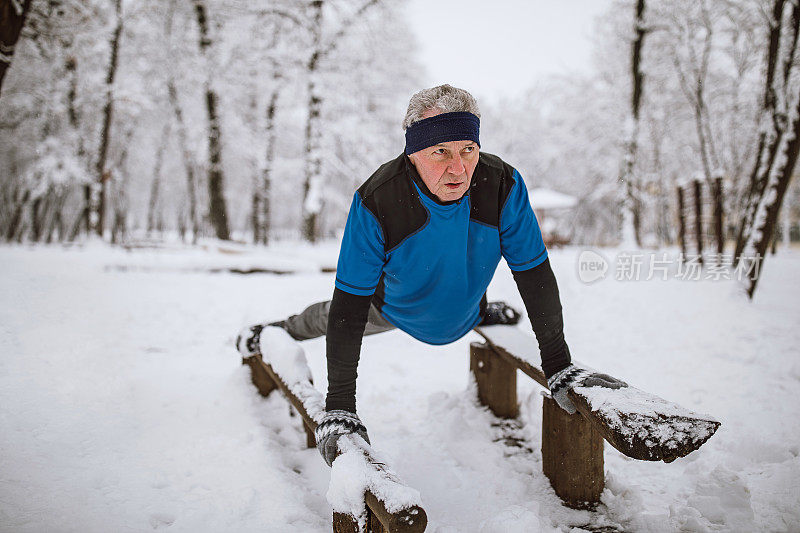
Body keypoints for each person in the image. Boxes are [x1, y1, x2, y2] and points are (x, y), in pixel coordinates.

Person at [236, 84, 625, 466]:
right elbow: (348, 305)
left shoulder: (503, 185)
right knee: (324, 315)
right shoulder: (377, 199)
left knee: (475, 301)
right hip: (393, 307)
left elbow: (535, 274)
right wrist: (339, 406)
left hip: (469, 308)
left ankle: (483, 310)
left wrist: (559, 365)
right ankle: (277, 327)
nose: (459, 168)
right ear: (413, 151)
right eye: (441, 152)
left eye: (468, 150)